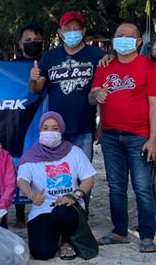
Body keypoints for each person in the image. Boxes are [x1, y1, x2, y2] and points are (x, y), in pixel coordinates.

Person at [90, 22, 156, 253]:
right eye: (119, 35)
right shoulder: (104, 65)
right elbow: (92, 96)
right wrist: (95, 94)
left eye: (129, 36)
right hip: (110, 136)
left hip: (138, 136)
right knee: (116, 186)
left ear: (139, 42)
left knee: (142, 187)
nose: (124, 39)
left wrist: (153, 138)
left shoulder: (149, 67)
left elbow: (154, 104)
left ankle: (147, 234)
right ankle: (119, 231)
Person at [16, 112, 98, 261]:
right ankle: (55, 236)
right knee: (42, 253)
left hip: (69, 206)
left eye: (55, 128)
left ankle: (67, 240)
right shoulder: (30, 156)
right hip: (43, 208)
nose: (50, 132)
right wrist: (31, 195)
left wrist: (75, 195)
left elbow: (88, 178)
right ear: (40, 130)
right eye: (46, 128)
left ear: (61, 130)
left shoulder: (74, 152)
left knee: (62, 212)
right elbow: (22, 180)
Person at [28, 10, 105, 161]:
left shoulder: (97, 55)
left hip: (84, 126)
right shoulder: (49, 57)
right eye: (67, 29)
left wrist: (101, 125)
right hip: (55, 128)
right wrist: (32, 79)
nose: (72, 32)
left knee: (82, 175)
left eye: (76, 29)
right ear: (60, 32)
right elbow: (35, 89)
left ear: (83, 31)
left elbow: (103, 92)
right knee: (57, 174)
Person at [11, 24, 45, 228]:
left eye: (36, 40)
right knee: (21, 163)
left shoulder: (48, 62)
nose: (33, 44)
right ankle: (19, 211)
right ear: (20, 44)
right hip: (19, 119)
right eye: (28, 40)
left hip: (45, 119)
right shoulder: (10, 66)